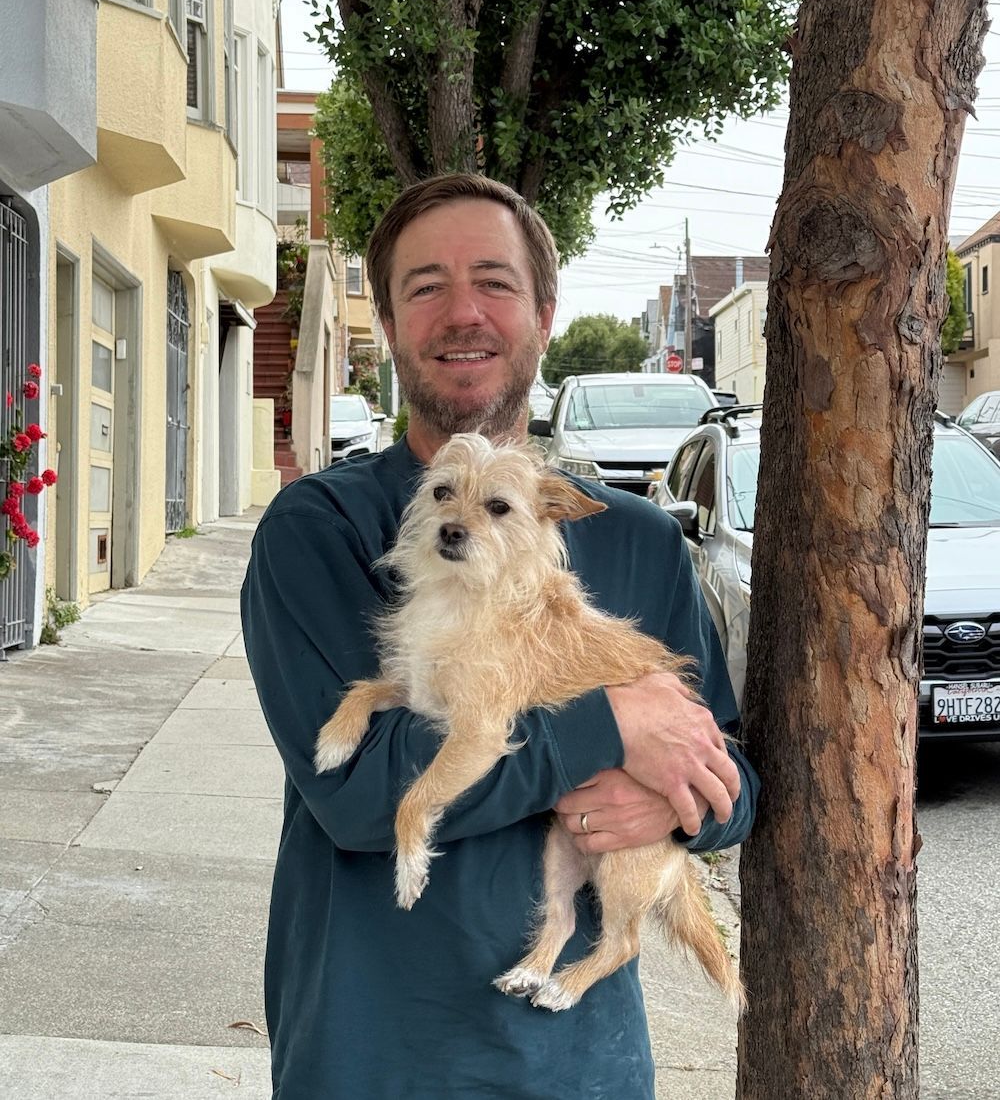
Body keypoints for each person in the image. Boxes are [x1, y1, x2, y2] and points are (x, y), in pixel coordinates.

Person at [241, 173, 759, 1099]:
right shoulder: (318, 529)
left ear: (544, 315)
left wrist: (676, 805)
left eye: (494, 281)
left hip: (579, 1067)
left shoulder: (639, 541)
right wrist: (610, 728)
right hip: (369, 1060)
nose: (463, 312)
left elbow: (733, 780)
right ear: (388, 323)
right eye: (426, 286)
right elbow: (354, 794)